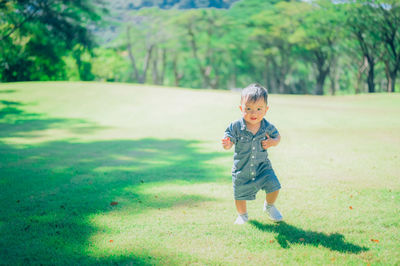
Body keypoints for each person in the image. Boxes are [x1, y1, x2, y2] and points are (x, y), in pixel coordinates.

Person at [222, 83, 283, 224]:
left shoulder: (267, 127)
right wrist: (227, 144)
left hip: (263, 166)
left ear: (266, 109)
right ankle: (242, 215)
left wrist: (272, 142)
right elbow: (229, 140)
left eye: (258, 109)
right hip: (242, 168)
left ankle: (269, 206)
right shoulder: (236, 127)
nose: (253, 113)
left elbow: (278, 137)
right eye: (248, 109)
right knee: (239, 193)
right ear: (241, 108)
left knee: (274, 185)